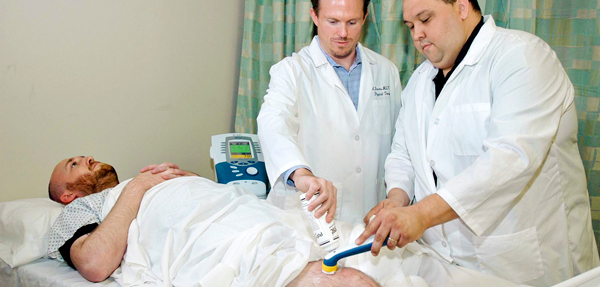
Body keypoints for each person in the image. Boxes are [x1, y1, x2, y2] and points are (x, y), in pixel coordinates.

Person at [355, 0, 600, 285]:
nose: (416, 35)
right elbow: (403, 153)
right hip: (446, 262)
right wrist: (397, 200)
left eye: (425, 19)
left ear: (461, 7)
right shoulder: (420, 81)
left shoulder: (521, 57)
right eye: (410, 26)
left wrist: (420, 214)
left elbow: (510, 159)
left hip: (523, 261)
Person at [44, 156, 382, 286]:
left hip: (238, 212)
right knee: (339, 281)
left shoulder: (145, 179)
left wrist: (186, 178)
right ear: (67, 196)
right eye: (74, 165)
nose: (87, 158)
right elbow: (94, 263)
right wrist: (139, 187)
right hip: (199, 234)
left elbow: (214, 196)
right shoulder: (81, 211)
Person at [257, 0, 402, 225]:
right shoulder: (291, 71)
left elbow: (399, 144)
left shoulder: (386, 71)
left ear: (365, 18)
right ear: (314, 16)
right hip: (309, 220)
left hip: (370, 215)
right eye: (333, 21)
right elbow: (273, 122)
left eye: (352, 22)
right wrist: (301, 174)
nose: (343, 33)